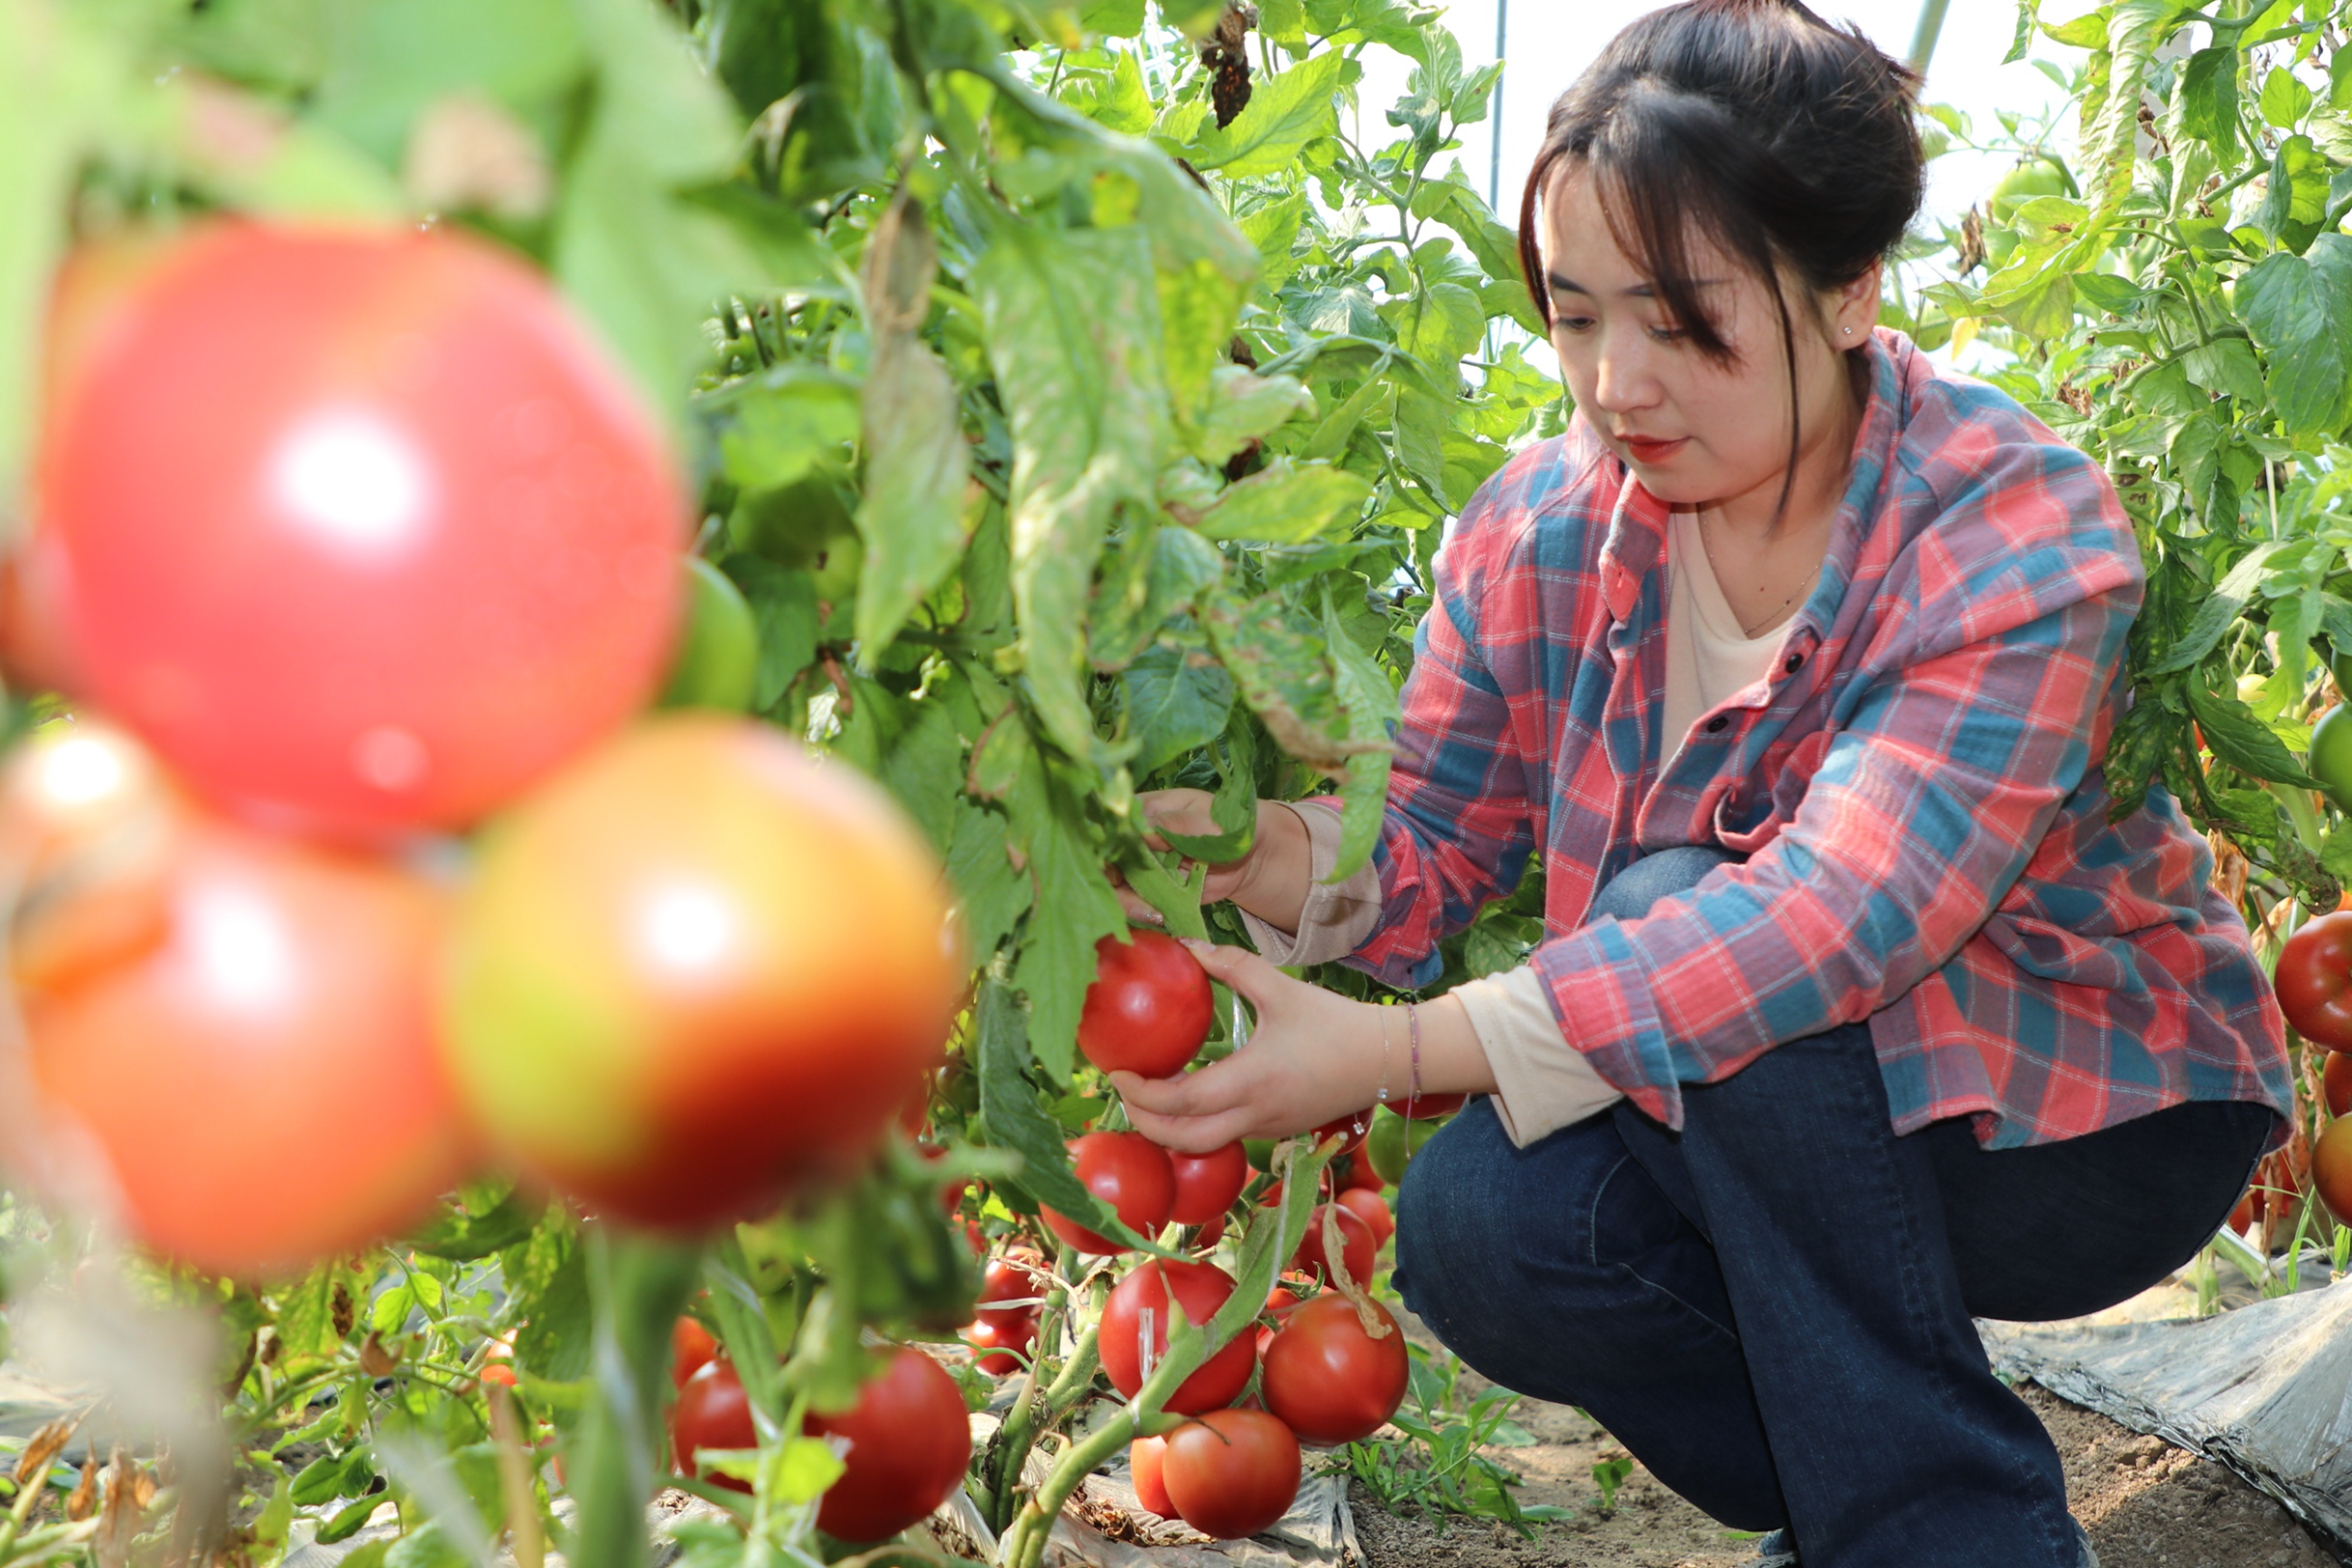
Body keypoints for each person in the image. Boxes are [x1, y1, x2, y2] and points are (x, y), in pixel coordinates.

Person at [1110, 3, 2290, 1564]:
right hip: (1754, 1105)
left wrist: (1399, 1050)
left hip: (2083, 1125)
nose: (1618, 385)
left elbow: (1833, 917)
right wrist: (1261, 856)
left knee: (1697, 906)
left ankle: (1947, 1532)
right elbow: (1431, 849)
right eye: (1579, 316)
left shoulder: (2011, 529)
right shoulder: (1538, 529)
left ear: (1852, 286)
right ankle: (1868, 1494)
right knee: (1485, 1231)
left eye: (1684, 322)